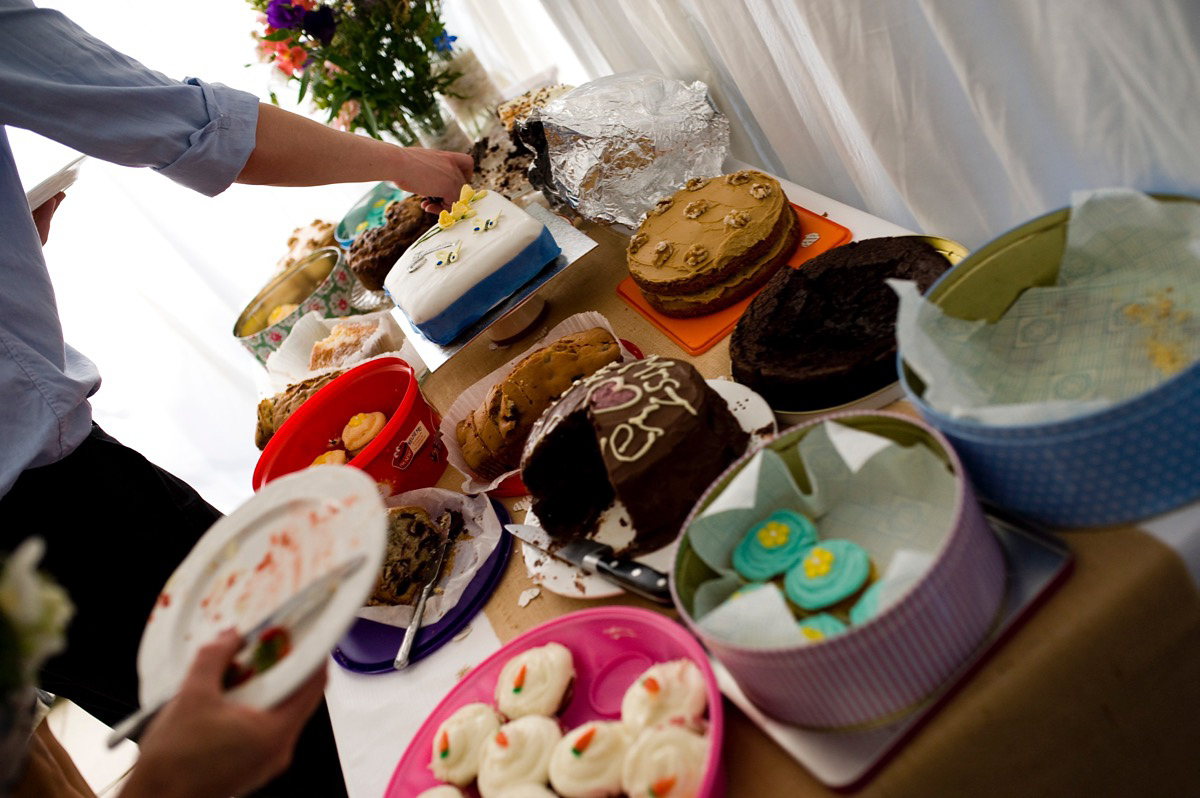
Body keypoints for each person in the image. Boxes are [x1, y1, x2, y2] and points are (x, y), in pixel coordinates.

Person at [0, 0, 473, 795]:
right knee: (296, 717)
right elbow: (190, 123)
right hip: (67, 518)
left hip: (49, 532)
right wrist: (405, 163)